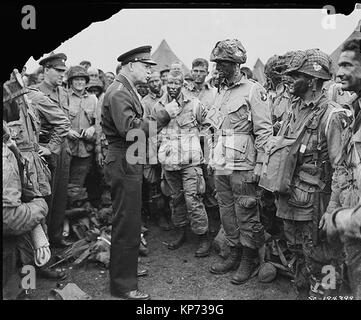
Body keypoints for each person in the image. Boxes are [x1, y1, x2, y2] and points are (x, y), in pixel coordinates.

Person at [271, 49, 352, 299]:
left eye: (296, 75)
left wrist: (332, 212)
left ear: (313, 81)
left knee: (323, 260)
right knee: (298, 255)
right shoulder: (294, 109)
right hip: (291, 199)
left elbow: (342, 170)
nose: (288, 79)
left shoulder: (332, 116)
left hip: (317, 206)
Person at [101, 45, 179, 300]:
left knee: (131, 219)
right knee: (126, 221)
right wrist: (164, 115)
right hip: (124, 159)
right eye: (146, 67)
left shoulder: (124, 89)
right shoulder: (119, 92)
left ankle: (126, 271)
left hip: (128, 158)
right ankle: (123, 286)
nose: (149, 72)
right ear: (131, 65)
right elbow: (131, 130)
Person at [208, 39, 273, 285]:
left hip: (245, 164)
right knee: (226, 211)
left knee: (246, 212)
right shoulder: (222, 92)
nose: (219, 67)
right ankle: (233, 253)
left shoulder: (254, 91)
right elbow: (216, 128)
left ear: (236, 64)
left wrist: (261, 164)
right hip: (222, 161)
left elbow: (265, 131)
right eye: (217, 63)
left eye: (223, 63)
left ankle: (248, 259)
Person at [152, 70, 212, 256]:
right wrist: (155, 158)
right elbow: (151, 132)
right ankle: (180, 231)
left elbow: (208, 127)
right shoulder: (158, 106)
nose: (172, 86)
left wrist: (209, 157)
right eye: (169, 82)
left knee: (193, 199)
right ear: (165, 83)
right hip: (169, 162)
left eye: (177, 83)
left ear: (183, 84)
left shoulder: (194, 104)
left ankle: (203, 236)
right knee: (175, 199)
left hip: (191, 161)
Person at [320, 39, 361, 300]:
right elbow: (342, 170)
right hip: (352, 224)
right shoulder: (351, 113)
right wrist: (333, 208)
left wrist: (339, 219)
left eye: (347, 65)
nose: (339, 72)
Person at [35, 53, 72, 248]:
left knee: (60, 196)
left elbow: (65, 122)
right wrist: (50, 148)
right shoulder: (35, 93)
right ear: (46, 70)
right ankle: (44, 242)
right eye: (58, 71)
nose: (62, 75)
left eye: (63, 71)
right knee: (46, 196)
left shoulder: (63, 92)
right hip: (46, 149)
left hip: (63, 150)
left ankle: (56, 236)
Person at [67, 65, 97, 188]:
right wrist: (67, 131)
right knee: (64, 181)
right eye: (76, 79)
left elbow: (100, 122)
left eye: (82, 79)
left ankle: (77, 204)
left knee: (79, 182)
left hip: (86, 148)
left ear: (86, 82)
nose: (79, 82)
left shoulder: (93, 99)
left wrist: (92, 128)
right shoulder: (64, 98)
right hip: (68, 147)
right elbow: (57, 122)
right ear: (71, 82)